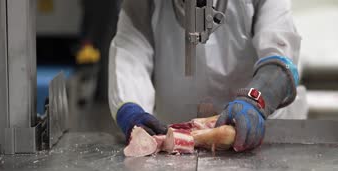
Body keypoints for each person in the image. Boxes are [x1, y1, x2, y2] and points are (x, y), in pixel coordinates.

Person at [109, 0, 301, 152]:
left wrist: (256, 101)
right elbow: (130, 57)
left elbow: (280, 56)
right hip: (174, 145)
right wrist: (131, 110)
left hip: (255, 138)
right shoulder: (144, 3)